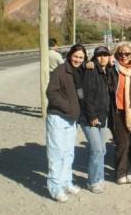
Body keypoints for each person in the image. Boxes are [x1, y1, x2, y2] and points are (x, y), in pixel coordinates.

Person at [46, 44, 87, 203]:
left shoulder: (79, 72)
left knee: (68, 152)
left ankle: (66, 182)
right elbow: (51, 92)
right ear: (70, 55)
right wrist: (68, 107)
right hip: (58, 117)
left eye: (81, 57)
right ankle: (55, 188)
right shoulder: (61, 70)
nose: (77, 59)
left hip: (71, 119)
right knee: (56, 153)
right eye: (75, 56)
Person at [80, 46, 111, 193]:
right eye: (99, 55)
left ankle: (99, 178)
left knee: (102, 150)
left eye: (105, 55)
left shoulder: (107, 70)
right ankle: (92, 181)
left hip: (102, 117)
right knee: (97, 150)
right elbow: (86, 96)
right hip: (90, 118)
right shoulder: (91, 70)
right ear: (95, 57)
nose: (102, 58)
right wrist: (92, 116)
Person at [109, 43, 131, 185]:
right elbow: (96, 62)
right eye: (121, 54)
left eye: (127, 54)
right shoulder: (112, 68)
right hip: (117, 110)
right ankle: (121, 172)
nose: (124, 56)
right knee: (122, 143)